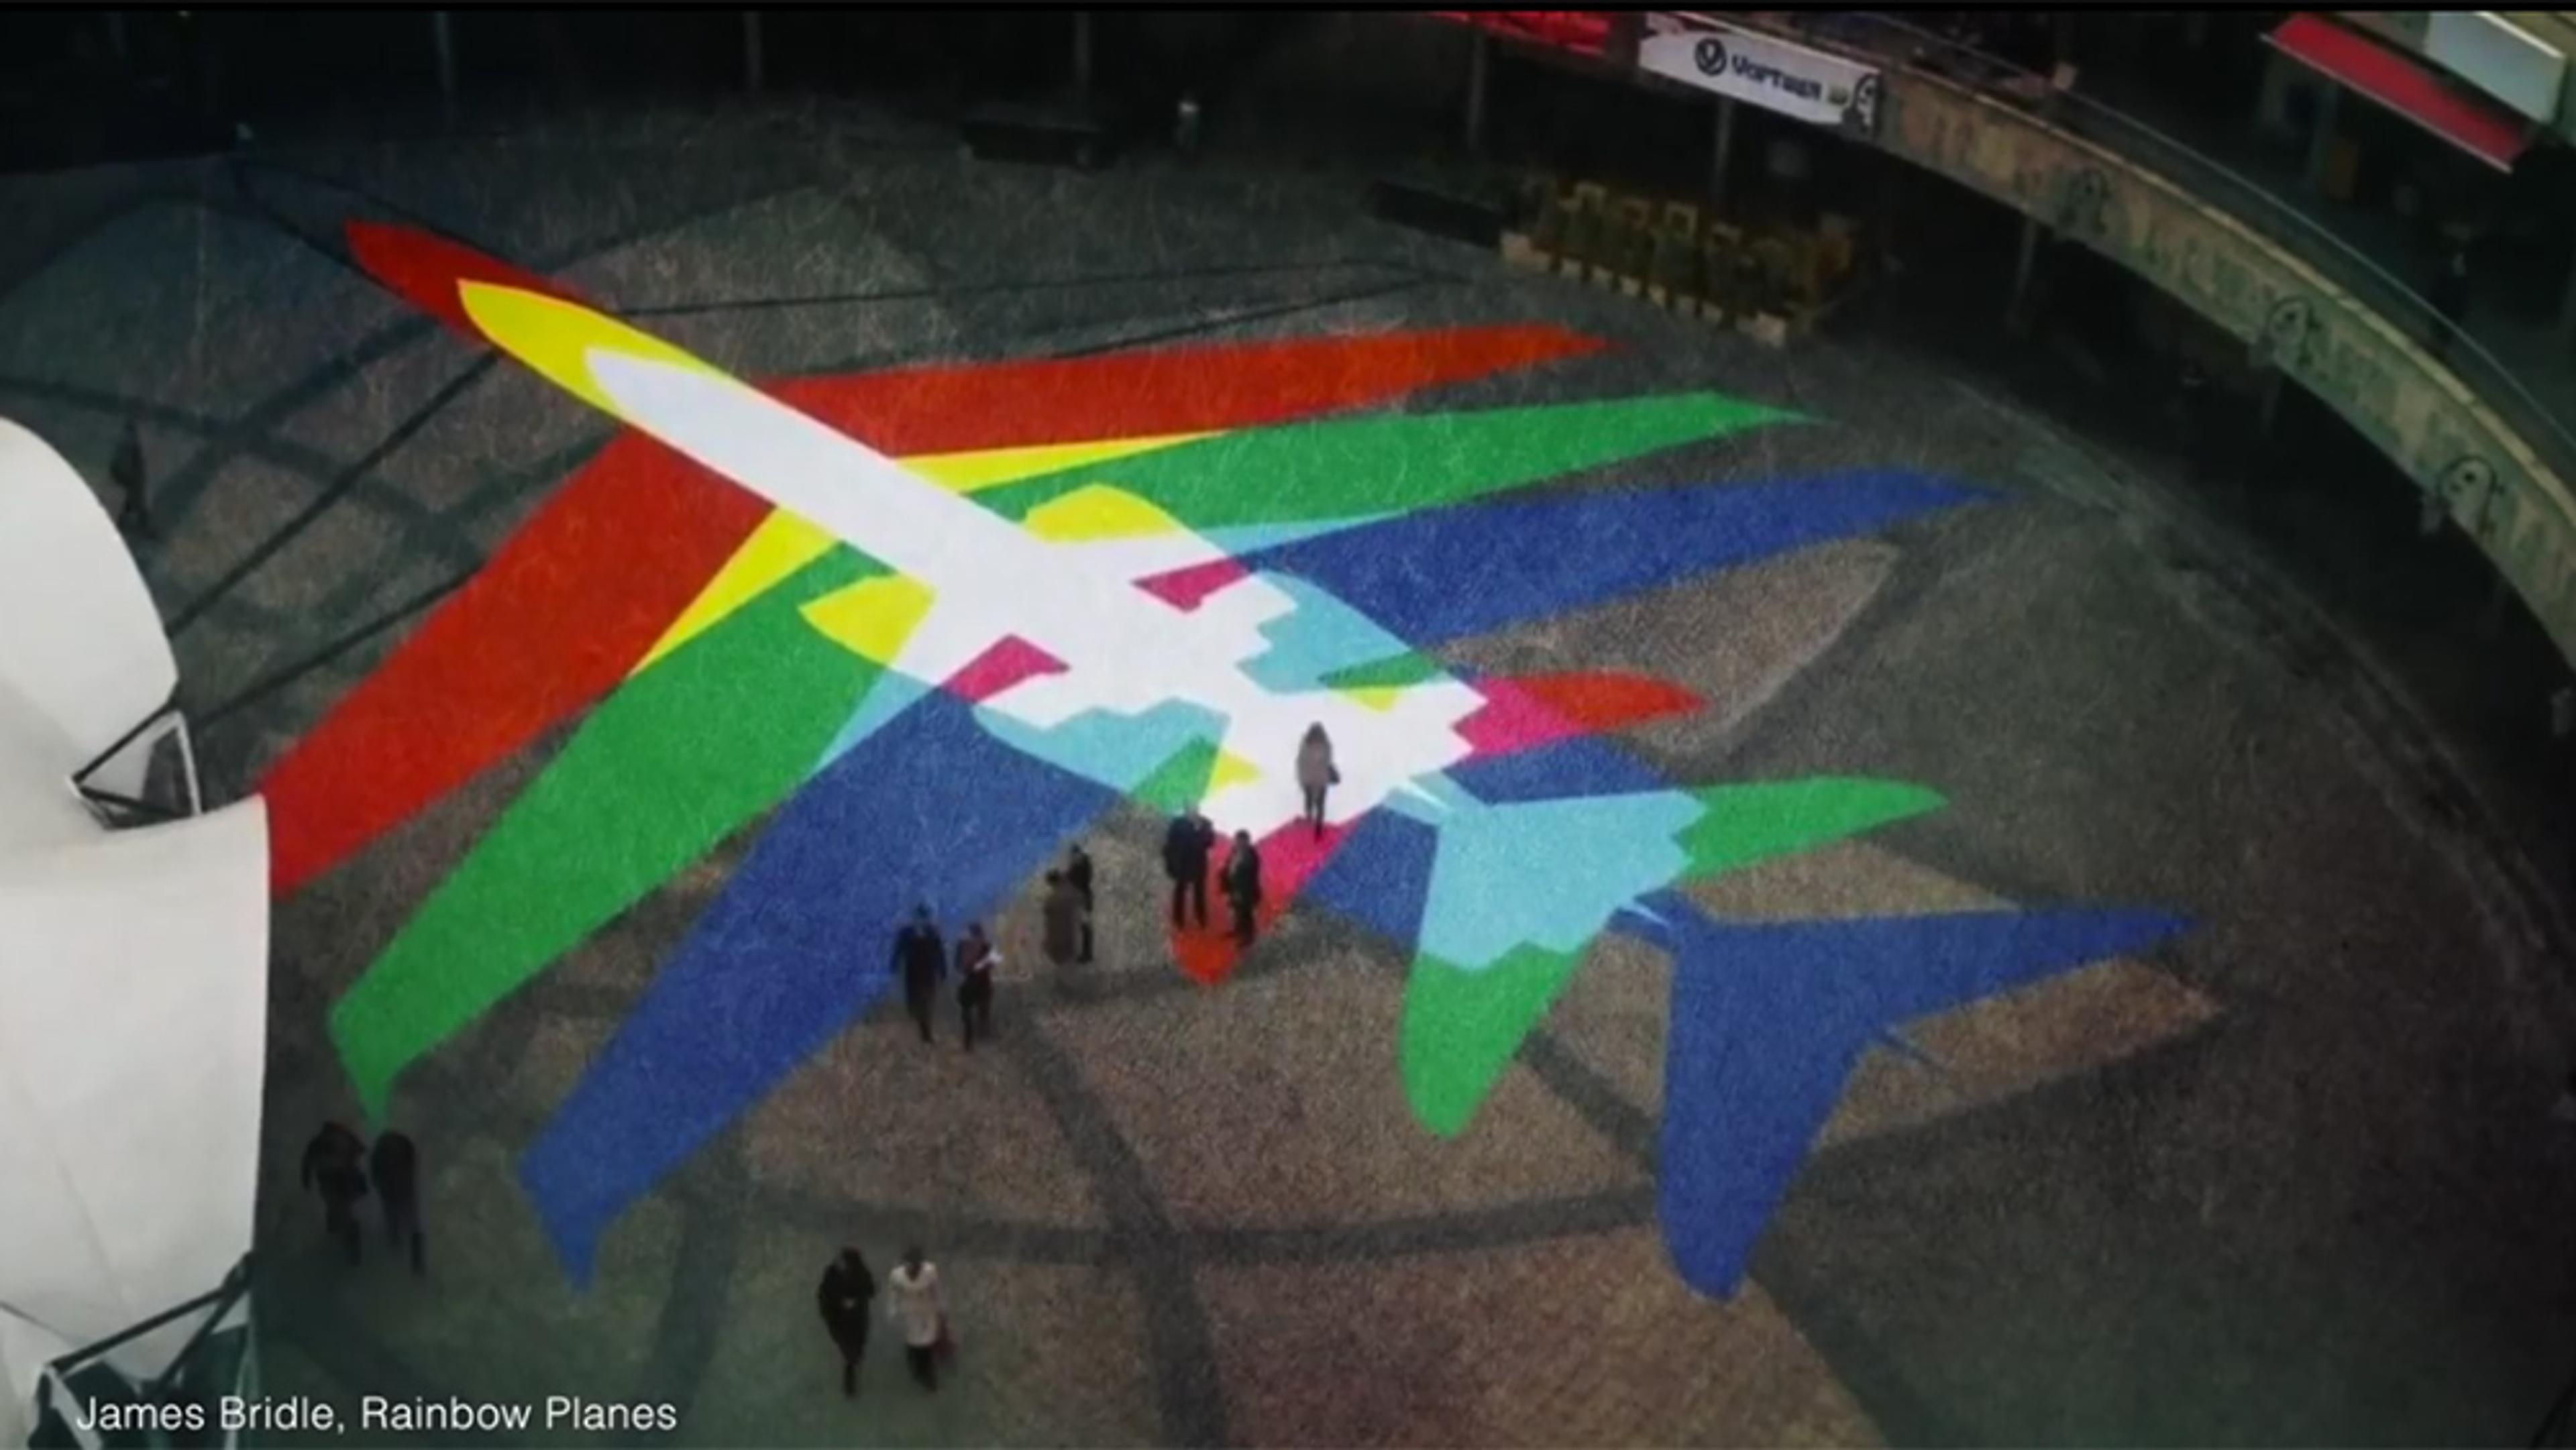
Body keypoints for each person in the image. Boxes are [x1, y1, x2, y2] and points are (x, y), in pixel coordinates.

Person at [299, 1122, 369, 1266]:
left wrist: (306, 1181)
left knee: (336, 1206)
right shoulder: (344, 1137)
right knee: (344, 1209)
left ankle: (339, 1236)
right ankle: (348, 1240)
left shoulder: (318, 1142)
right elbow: (361, 1149)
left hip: (330, 1180)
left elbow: (307, 1162)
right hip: (345, 1179)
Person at [885, 1246, 947, 1392]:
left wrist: (942, 1309)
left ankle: (928, 1376)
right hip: (909, 1314)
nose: (914, 1270)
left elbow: (937, 1291)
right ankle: (915, 1367)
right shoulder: (896, 1276)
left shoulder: (931, 1271)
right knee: (912, 1342)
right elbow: (893, 1295)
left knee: (926, 1344)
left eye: (916, 1266)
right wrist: (892, 1312)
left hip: (926, 1312)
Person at [818, 1247, 876, 1398]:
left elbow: (871, 1289)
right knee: (850, 1349)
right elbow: (824, 1294)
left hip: (854, 1319)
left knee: (855, 1347)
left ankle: (852, 1363)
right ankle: (850, 1376)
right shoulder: (833, 1274)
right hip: (841, 1319)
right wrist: (840, 1302)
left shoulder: (859, 1273)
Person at [370, 1129, 425, 1276]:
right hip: (403, 1188)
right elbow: (412, 1160)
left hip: (390, 1190)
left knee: (393, 1217)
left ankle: (396, 1245)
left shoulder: (380, 1151)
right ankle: (417, 1262)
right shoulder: (403, 1145)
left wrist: (380, 1184)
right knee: (413, 1223)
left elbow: (374, 1172)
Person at [891, 905, 946, 1045]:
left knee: (926, 998)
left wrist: (942, 969)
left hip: (926, 969)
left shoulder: (932, 932)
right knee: (915, 997)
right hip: (915, 969)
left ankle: (925, 1029)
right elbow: (899, 949)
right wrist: (895, 964)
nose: (922, 920)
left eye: (924, 917)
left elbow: (940, 952)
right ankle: (917, 1016)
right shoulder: (908, 932)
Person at [1163, 806, 1214, 930]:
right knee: (1180, 891)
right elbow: (1171, 842)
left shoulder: (1205, 823)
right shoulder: (1178, 823)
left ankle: (1201, 918)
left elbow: (1210, 842)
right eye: (1190, 808)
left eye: (1195, 808)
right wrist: (1171, 861)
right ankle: (1178, 920)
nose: (1192, 810)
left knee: (1199, 891)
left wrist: (1200, 830)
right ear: (1186, 809)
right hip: (1182, 862)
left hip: (1198, 862)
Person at [955, 922, 998, 1051]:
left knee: (967, 1011)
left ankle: (969, 1039)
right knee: (983, 1010)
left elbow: (958, 964)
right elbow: (993, 963)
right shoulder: (987, 945)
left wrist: (967, 968)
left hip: (969, 981)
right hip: (983, 982)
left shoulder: (963, 945)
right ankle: (982, 1034)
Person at [1295, 723, 1338, 839]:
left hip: (1308, 780)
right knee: (1320, 804)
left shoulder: (1305, 745)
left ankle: (1310, 819)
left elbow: (1300, 763)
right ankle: (1318, 826)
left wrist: (1301, 779)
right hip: (1321, 779)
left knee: (1309, 801)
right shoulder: (1326, 746)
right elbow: (1327, 761)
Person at [1222, 829, 1263, 946]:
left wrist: (1240, 891)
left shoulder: (1251, 855)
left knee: (1246, 914)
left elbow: (1248, 877)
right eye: (1237, 840)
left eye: (1241, 841)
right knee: (1236, 911)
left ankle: (1248, 937)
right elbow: (1229, 866)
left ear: (1247, 841)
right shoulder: (1235, 851)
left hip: (1246, 891)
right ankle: (1238, 930)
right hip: (1234, 888)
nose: (1238, 843)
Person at [1041, 870, 1084, 970]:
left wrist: (1047, 939)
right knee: (1068, 964)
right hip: (1068, 935)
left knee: (1063, 964)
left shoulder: (1051, 900)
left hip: (1057, 937)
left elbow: (1048, 922)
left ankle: (1064, 981)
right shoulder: (1071, 894)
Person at [1065, 843, 1095, 964]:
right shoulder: (1084, 865)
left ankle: (1086, 954)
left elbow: (1072, 879)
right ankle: (1086, 953)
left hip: (1082, 899)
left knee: (1085, 926)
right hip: (1083, 898)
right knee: (1084, 926)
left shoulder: (1079, 867)